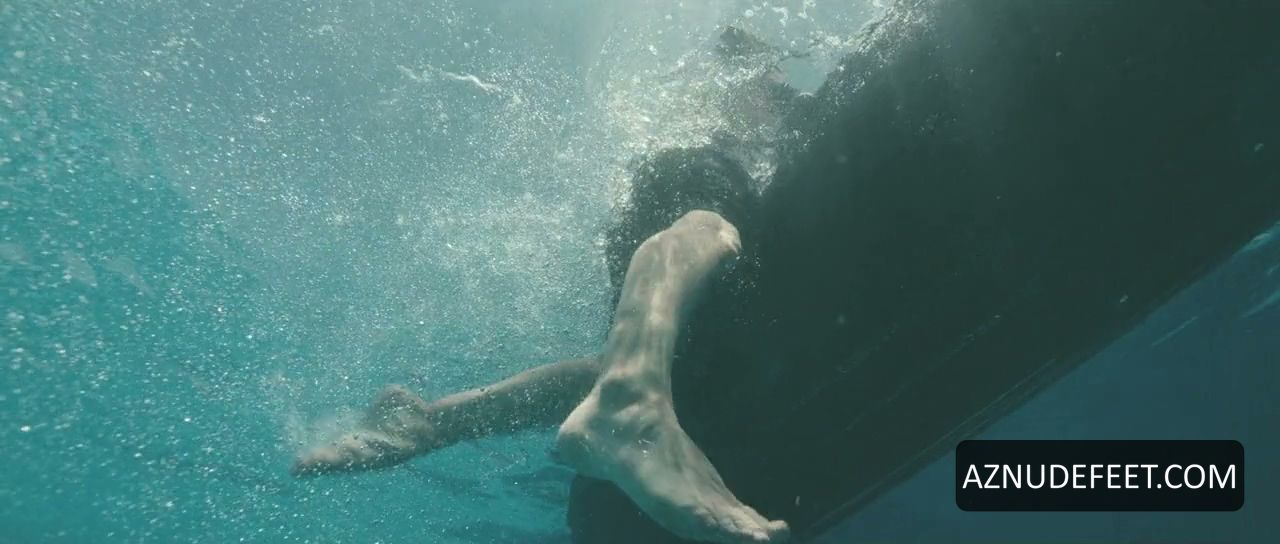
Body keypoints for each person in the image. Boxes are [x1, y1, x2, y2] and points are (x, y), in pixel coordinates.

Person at [292, 148, 790, 543]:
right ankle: (632, 397)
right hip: (694, 190)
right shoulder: (747, 152)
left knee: (670, 361)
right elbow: (702, 227)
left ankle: (431, 420)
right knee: (711, 234)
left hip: (666, 223)